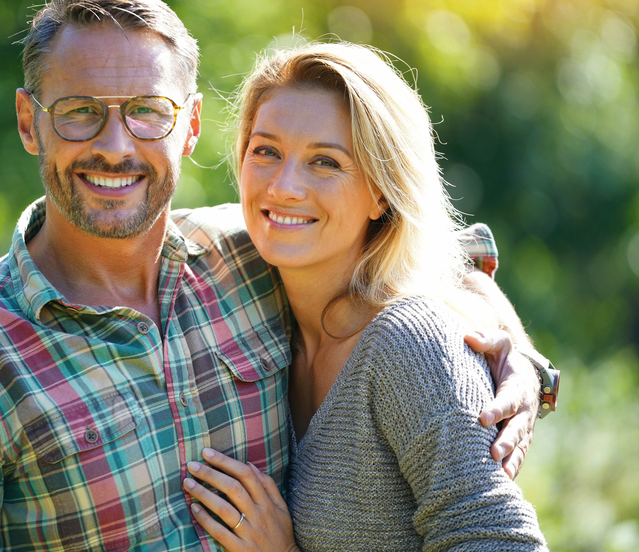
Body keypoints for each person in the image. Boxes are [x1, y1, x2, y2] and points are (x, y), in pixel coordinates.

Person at [0, 0, 551, 551]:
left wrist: (518, 358)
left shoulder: (251, 252)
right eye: (77, 112)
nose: (115, 145)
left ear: (190, 126)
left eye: (146, 112)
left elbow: (433, 255)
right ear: (27, 120)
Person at [183, 42, 549, 550]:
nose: (284, 187)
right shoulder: (252, 289)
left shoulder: (408, 345)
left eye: (325, 162)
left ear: (382, 191)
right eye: (266, 151)